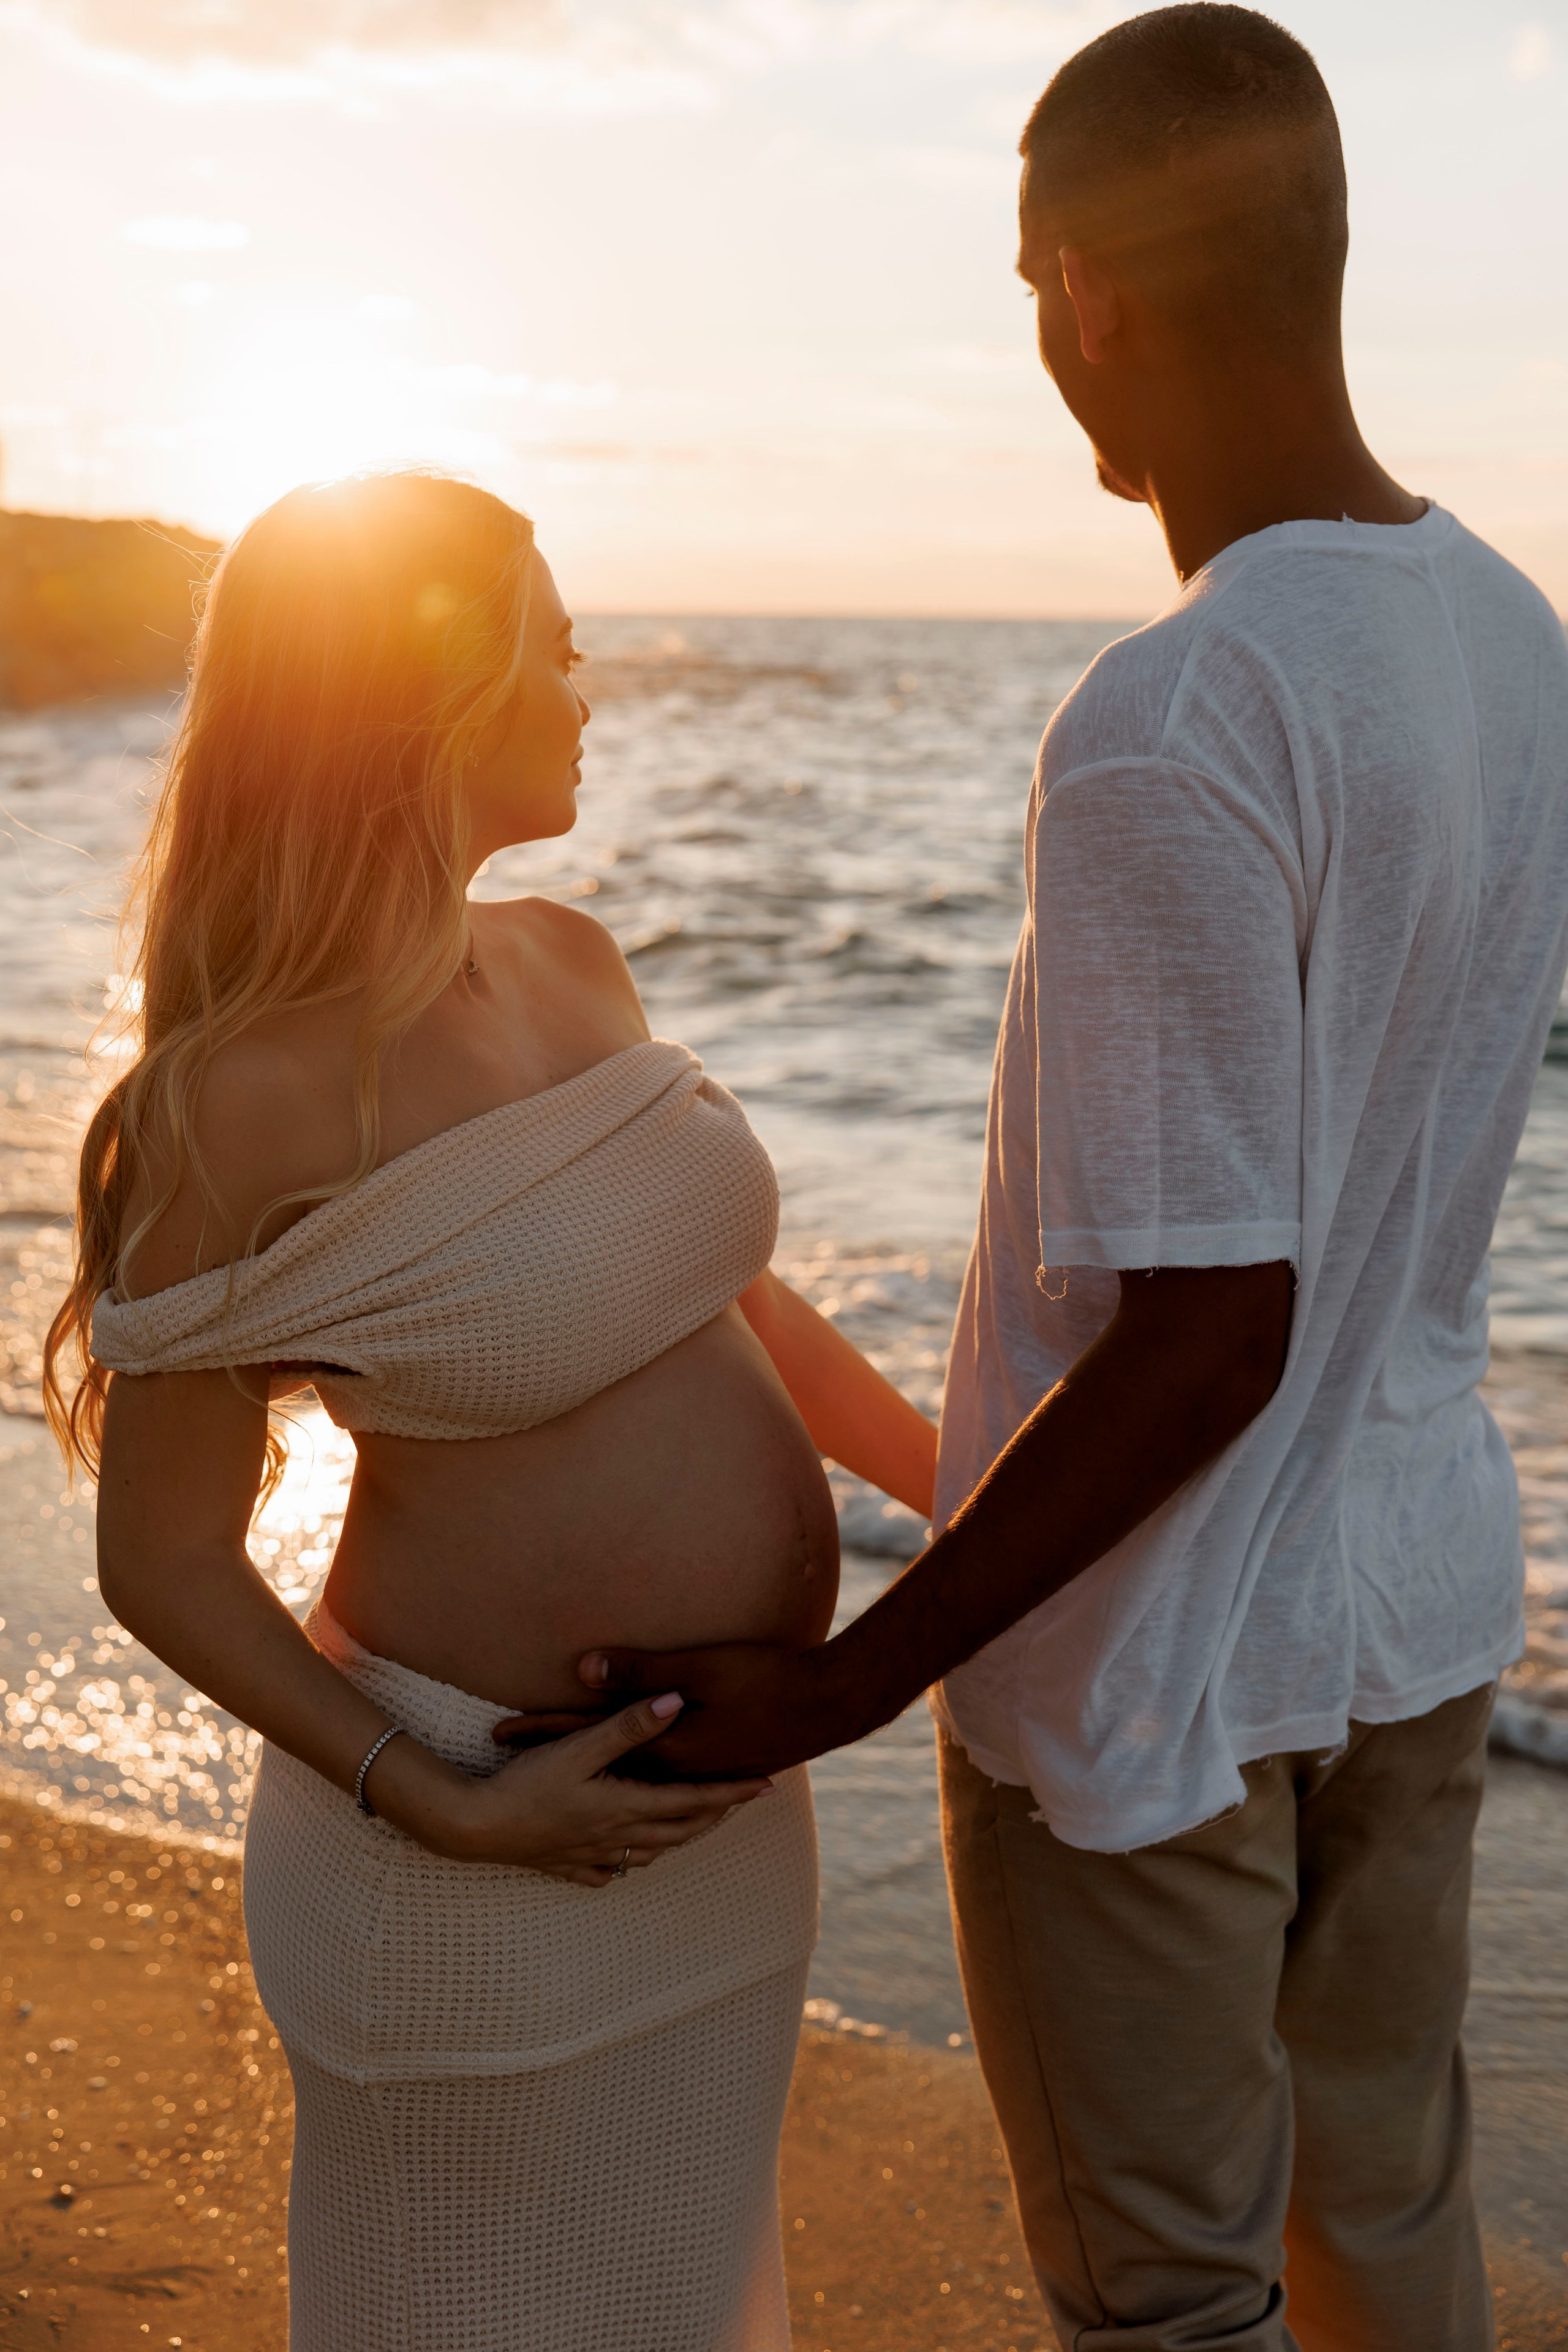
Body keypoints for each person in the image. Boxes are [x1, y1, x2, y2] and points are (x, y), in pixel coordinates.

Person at [577, 8, 1568, 2347]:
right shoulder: (1520, 639)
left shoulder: (1185, 708)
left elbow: (1216, 1325)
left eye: (1041, 301)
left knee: (1169, 2305)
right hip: (1414, 1616)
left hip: (1151, 1690)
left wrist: (857, 1676)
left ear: (1087, 292)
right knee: (1391, 2234)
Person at [42, 469, 937, 2352]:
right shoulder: (237, 1103)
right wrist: (440, 1805)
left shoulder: (575, 963)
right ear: (430, 701)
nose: (590, 695)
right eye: (560, 653)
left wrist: (970, 1491)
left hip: (707, 1826)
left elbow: (731, 1299)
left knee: (690, 2301)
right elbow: (171, 1563)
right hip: (463, 1823)